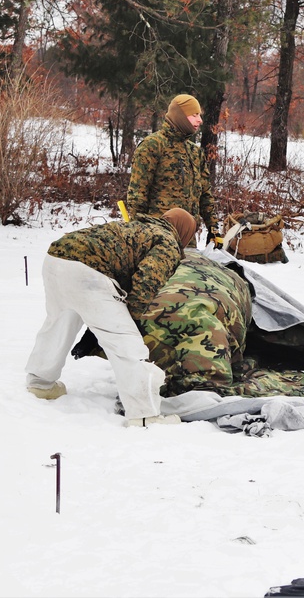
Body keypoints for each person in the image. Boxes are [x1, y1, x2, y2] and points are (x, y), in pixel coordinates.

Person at [24, 208, 198, 427]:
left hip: (57, 257)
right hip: (88, 271)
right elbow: (147, 280)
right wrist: (131, 321)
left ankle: (40, 383)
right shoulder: (168, 242)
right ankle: (144, 414)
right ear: (184, 231)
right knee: (125, 343)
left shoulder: (140, 226)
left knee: (59, 322)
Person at [126, 94, 218, 242]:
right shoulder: (153, 145)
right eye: (194, 115)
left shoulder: (195, 152)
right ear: (180, 115)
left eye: (199, 115)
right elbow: (138, 194)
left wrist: (213, 228)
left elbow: (205, 194)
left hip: (187, 238)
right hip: (157, 237)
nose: (200, 120)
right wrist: (139, 234)